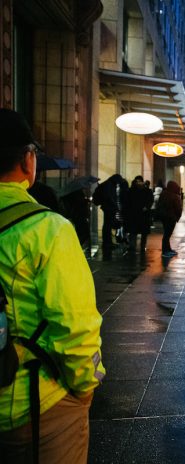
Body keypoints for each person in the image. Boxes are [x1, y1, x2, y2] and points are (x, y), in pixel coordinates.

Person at [0, 109, 105, 462]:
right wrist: (86, 386)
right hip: (30, 402)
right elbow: (75, 325)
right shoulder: (46, 229)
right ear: (29, 162)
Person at [92, 173, 128, 258]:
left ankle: (108, 242)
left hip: (108, 207)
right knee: (107, 225)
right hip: (108, 207)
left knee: (107, 225)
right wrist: (114, 205)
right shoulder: (109, 185)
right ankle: (107, 243)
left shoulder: (109, 184)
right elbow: (109, 196)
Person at [125, 175, 154, 252]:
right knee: (133, 232)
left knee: (143, 233)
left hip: (143, 215)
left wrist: (146, 207)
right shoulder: (131, 190)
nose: (138, 183)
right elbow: (127, 202)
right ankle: (132, 246)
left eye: (140, 181)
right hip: (134, 214)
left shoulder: (147, 190)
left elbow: (150, 200)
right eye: (137, 181)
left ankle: (142, 246)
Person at [158, 180, 183, 257]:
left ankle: (168, 249)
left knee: (166, 234)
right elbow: (178, 208)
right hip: (171, 218)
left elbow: (160, 205)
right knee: (167, 235)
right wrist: (177, 217)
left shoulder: (164, 194)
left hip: (165, 217)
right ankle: (165, 251)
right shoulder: (174, 196)